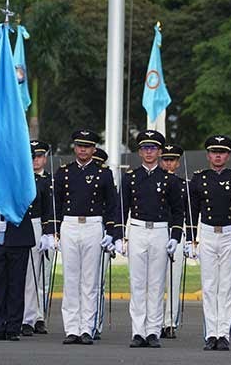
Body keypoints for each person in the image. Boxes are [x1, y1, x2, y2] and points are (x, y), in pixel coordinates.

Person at [186, 134, 231, 351]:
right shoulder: (199, 178)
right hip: (206, 233)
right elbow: (191, 211)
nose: (218, 155)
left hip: (229, 233)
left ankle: (223, 333)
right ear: (208, 155)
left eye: (222, 152)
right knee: (209, 285)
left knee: (226, 285)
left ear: (228, 155)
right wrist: (190, 240)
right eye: (214, 152)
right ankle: (211, 333)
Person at [119, 129, 186, 348]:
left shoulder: (169, 179)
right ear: (140, 152)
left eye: (153, 148)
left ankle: (153, 331)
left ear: (159, 152)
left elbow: (178, 211)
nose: (149, 152)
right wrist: (120, 236)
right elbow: (122, 208)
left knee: (156, 284)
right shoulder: (130, 177)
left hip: (160, 231)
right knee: (138, 283)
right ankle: (138, 331)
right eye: (145, 148)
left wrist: (175, 236)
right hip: (137, 229)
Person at [53, 129, 120, 345]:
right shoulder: (64, 172)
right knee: (71, 279)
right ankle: (71, 328)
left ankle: (87, 329)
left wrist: (112, 232)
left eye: (88, 146)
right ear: (74, 147)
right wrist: (53, 231)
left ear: (94, 149)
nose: (83, 149)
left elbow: (112, 205)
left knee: (90, 281)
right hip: (70, 225)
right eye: (80, 145)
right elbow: (56, 204)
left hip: (93, 225)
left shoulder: (104, 174)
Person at [0, 174, 54, 341]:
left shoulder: (25, 182)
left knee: (16, 285)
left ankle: (13, 327)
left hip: (19, 237)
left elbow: (34, 202)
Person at [22, 140, 56, 336]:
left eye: (39, 156)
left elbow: (53, 208)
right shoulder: (23, 179)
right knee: (29, 275)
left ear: (45, 158)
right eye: (33, 156)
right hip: (28, 225)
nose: (36, 160)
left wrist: (50, 232)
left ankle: (39, 316)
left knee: (43, 276)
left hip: (45, 229)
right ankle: (29, 317)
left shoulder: (51, 180)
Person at [159, 144, 187, 339]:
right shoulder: (152, 181)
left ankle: (169, 322)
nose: (169, 163)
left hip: (176, 233)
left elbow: (189, 213)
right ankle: (154, 320)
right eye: (166, 159)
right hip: (156, 231)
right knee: (154, 281)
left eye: (172, 160)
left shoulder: (185, 184)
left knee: (173, 279)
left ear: (177, 163)